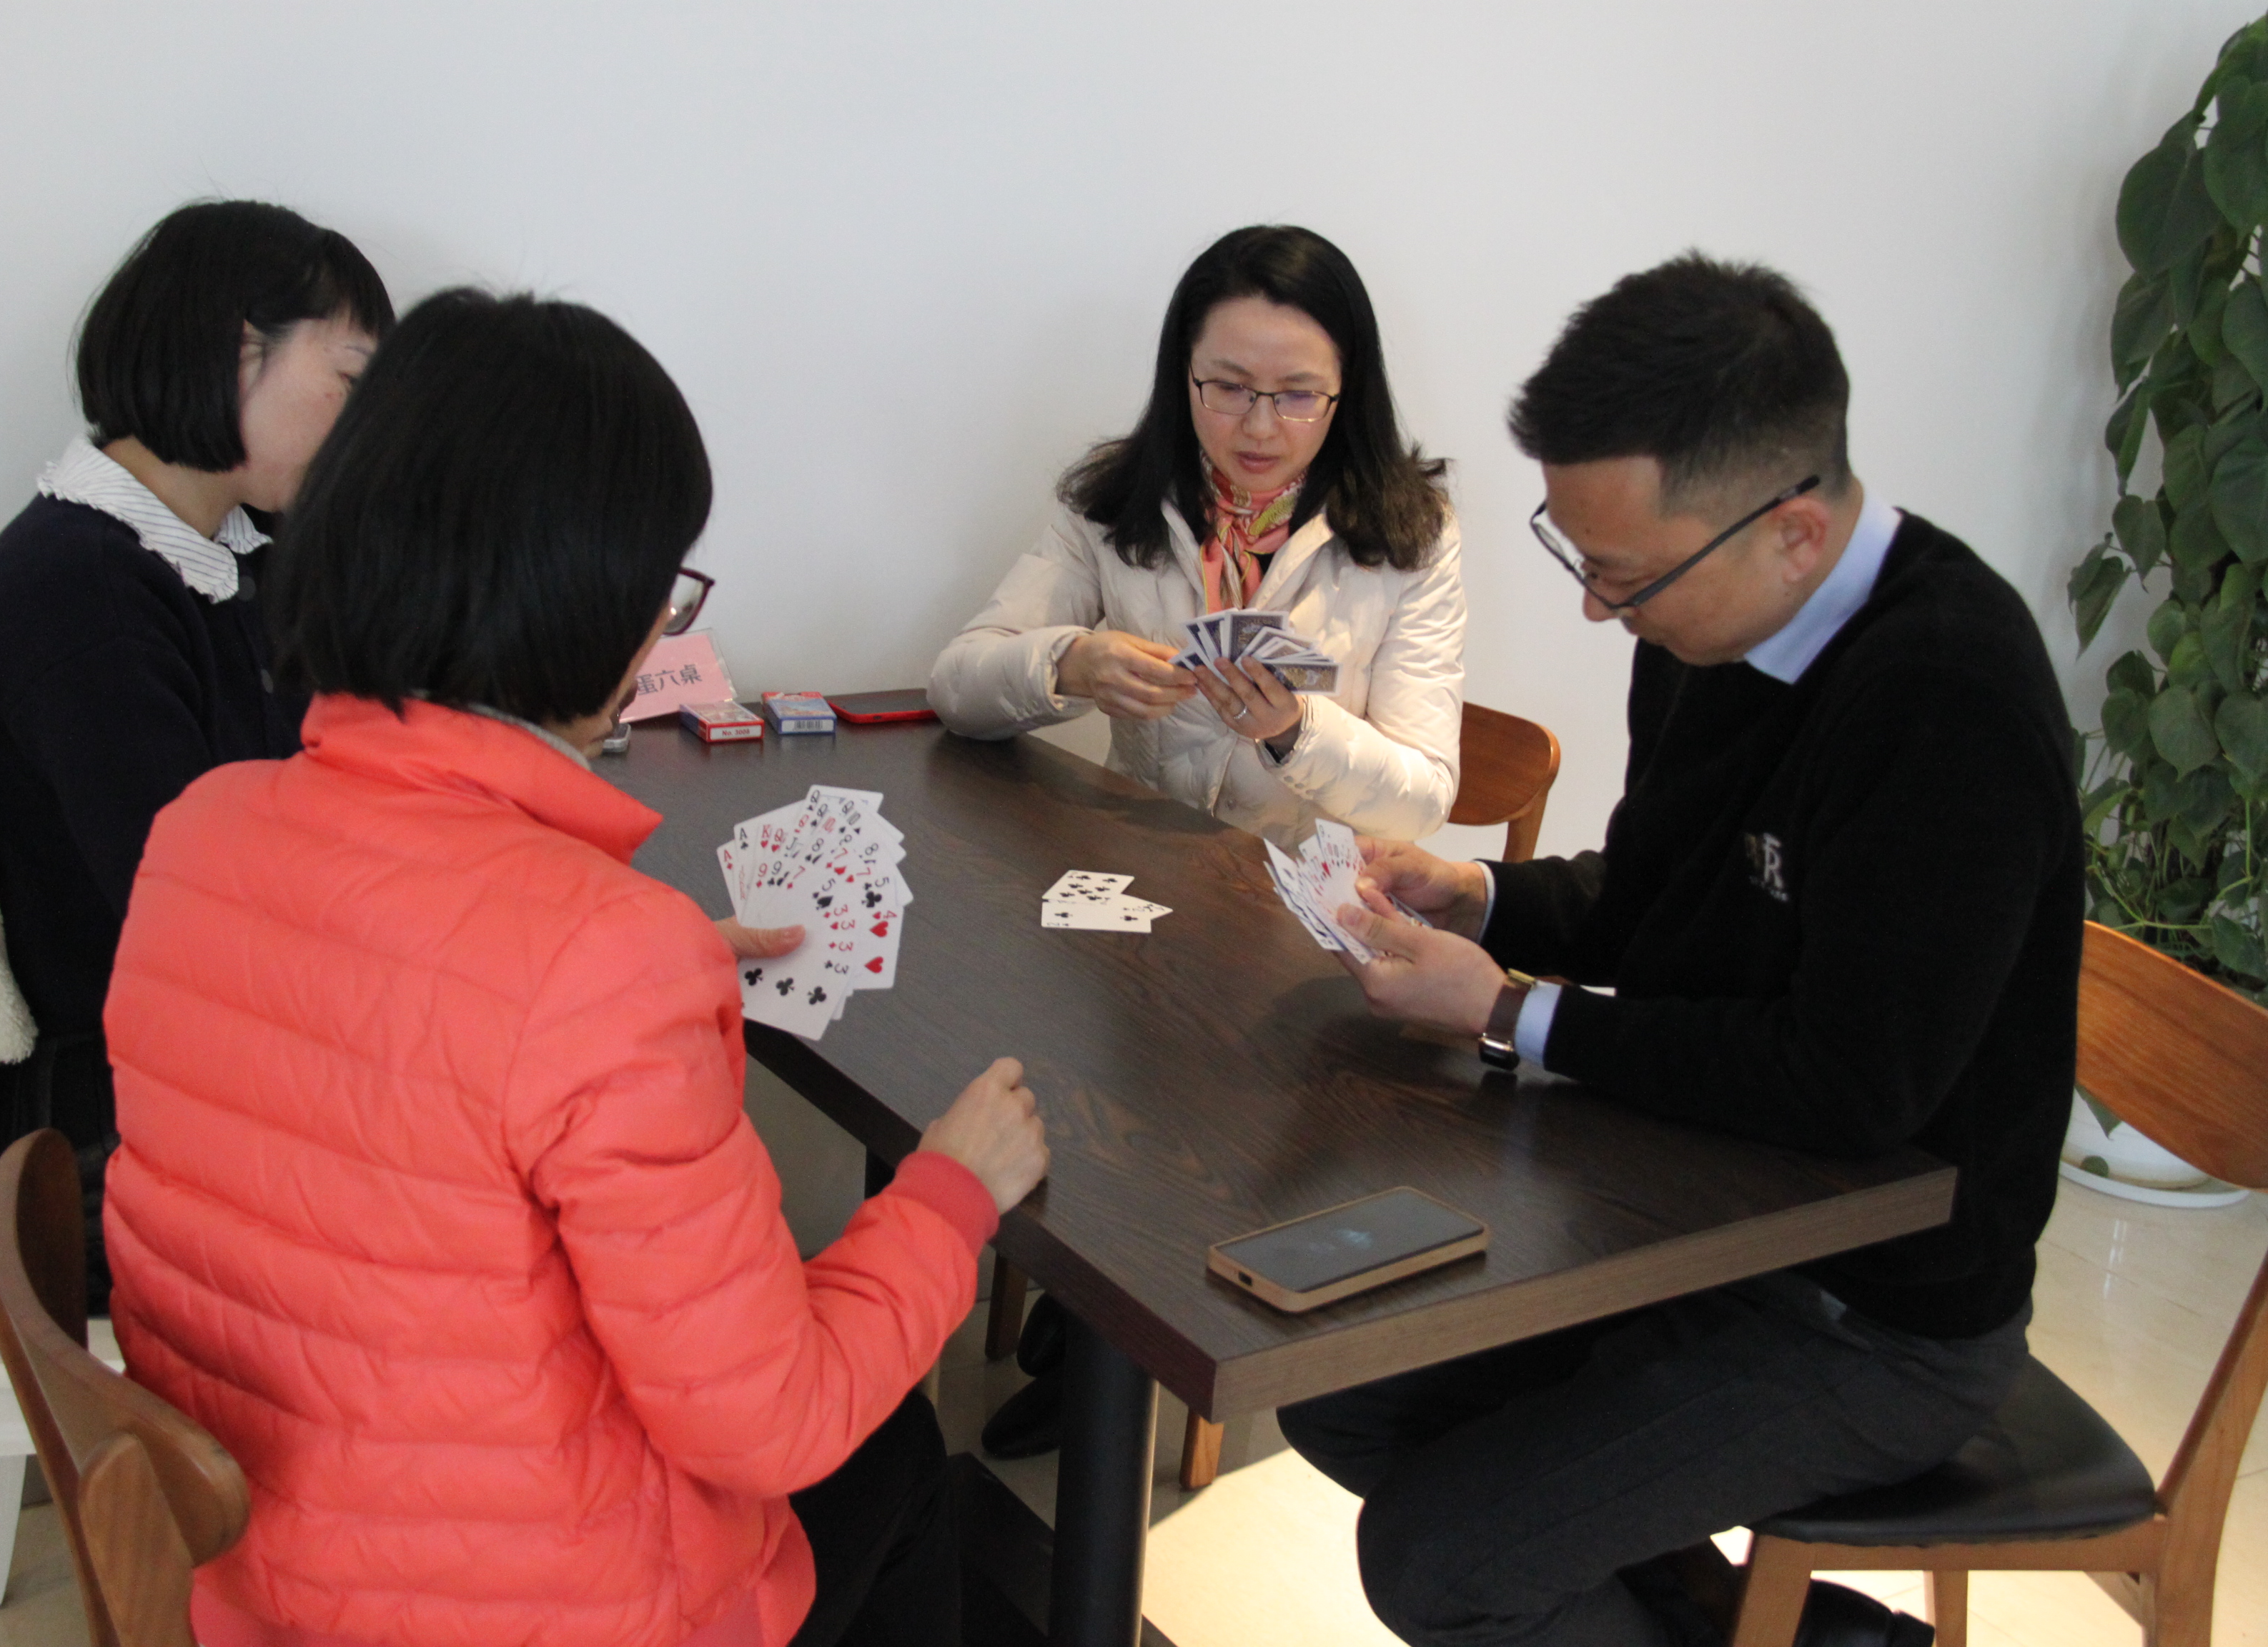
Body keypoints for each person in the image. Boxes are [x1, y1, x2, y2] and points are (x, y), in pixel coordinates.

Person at [101, 287, 1049, 1647]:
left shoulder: (199, 830)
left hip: (270, 1578)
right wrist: (951, 1191)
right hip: (537, 1608)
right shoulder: (600, 957)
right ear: (589, 600)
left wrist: (618, 985)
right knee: (887, 1445)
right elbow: (770, 1420)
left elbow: (391, 1045)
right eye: (664, 587)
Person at [1277, 257, 2080, 1647]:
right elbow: (1657, 896)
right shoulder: (1702, 622)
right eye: (1580, 555)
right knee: (1337, 1388)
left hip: (1875, 1305)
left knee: (1436, 1561)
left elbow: (1850, 1085)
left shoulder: (1950, 694)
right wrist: (1480, 896)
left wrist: (1512, 1013)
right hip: (1694, 1216)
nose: (1599, 609)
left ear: (1796, 533)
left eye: (1624, 573)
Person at [0, 199, 394, 1310]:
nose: (364, 426)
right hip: (105, 1150)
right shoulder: (82, 591)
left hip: (201, 1079)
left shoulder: (226, 558)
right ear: (238, 352)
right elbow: (203, 923)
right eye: (349, 380)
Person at [929, 224, 1467, 852]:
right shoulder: (1118, 501)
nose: (1260, 427)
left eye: (1298, 394)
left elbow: (1424, 802)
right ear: (1183, 373)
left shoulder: (1412, 533)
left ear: (1346, 392)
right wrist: (1072, 665)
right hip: (1141, 871)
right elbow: (956, 687)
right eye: (1229, 388)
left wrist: (1297, 731)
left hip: (1302, 895)